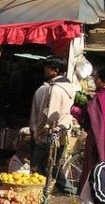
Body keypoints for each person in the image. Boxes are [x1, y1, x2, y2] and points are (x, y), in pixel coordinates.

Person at [29, 57, 76, 194]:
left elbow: (49, 116)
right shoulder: (69, 87)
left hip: (50, 135)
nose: (45, 69)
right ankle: (67, 191)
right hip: (62, 133)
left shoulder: (54, 89)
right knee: (54, 166)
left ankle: (39, 197)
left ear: (55, 71)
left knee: (36, 167)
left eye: (48, 67)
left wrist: (38, 133)